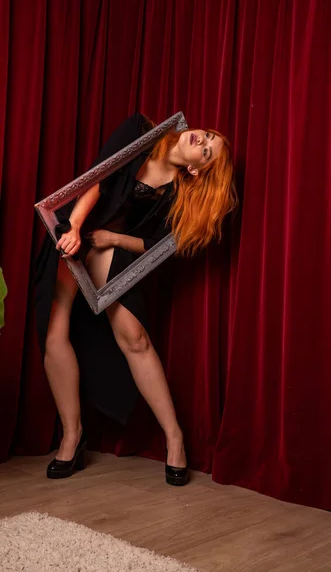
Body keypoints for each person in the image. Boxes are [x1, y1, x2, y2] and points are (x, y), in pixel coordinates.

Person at [35, 112, 237, 485]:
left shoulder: (178, 193)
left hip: (108, 246)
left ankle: (175, 439)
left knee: (135, 338)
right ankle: (72, 436)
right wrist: (76, 227)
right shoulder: (140, 132)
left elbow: (155, 245)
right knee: (54, 329)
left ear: (196, 171)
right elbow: (98, 177)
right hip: (76, 224)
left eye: (208, 151)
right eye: (207, 136)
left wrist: (113, 240)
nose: (202, 141)